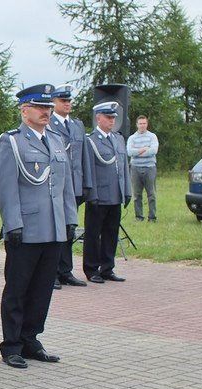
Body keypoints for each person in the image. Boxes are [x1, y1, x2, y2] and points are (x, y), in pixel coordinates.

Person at [0, 83, 77, 369]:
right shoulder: (11, 141)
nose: (46, 113)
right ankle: (12, 344)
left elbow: (65, 185)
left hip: (53, 227)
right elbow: (5, 186)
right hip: (26, 228)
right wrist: (13, 223)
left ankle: (31, 338)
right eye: (40, 108)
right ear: (24, 109)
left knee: (42, 288)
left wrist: (70, 219)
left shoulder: (55, 141)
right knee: (18, 288)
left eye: (48, 108)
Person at [82, 101, 132, 283]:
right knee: (93, 234)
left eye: (113, 118)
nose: (111, 121)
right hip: (99, 195)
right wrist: (91, 193)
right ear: (98, 118)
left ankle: (107, 267)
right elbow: (89, 170)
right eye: (108, 117)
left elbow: (123, 168)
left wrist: (126, 191)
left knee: (111, 233)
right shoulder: (91, 140)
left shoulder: (118, 139)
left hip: (115, 195)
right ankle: (91, 269)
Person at [48, 84, 89, 288]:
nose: (67, 104)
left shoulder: (76, 126)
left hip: (75, 185)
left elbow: (84, 157)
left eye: (69, 101)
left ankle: (66, 270)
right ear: (54, 102)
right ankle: (52, 272)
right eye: (63, 101)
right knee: (56, 228)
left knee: (70, 229)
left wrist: (87, 183)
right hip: (57, 185)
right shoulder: (48, 123)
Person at [126, 115, 158, 222]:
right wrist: (144, 149)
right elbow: (130, 152)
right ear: (137, 125)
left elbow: (153, 151)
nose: (142, 125)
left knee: (151, 194)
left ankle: (152, 217)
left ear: (147, 124)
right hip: (135, 168)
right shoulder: (132, 138)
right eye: (140, 123)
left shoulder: (152, 136)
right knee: (137, 195)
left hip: (150, 168)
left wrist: (137, 151)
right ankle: (139, 217)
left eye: (144, 123)